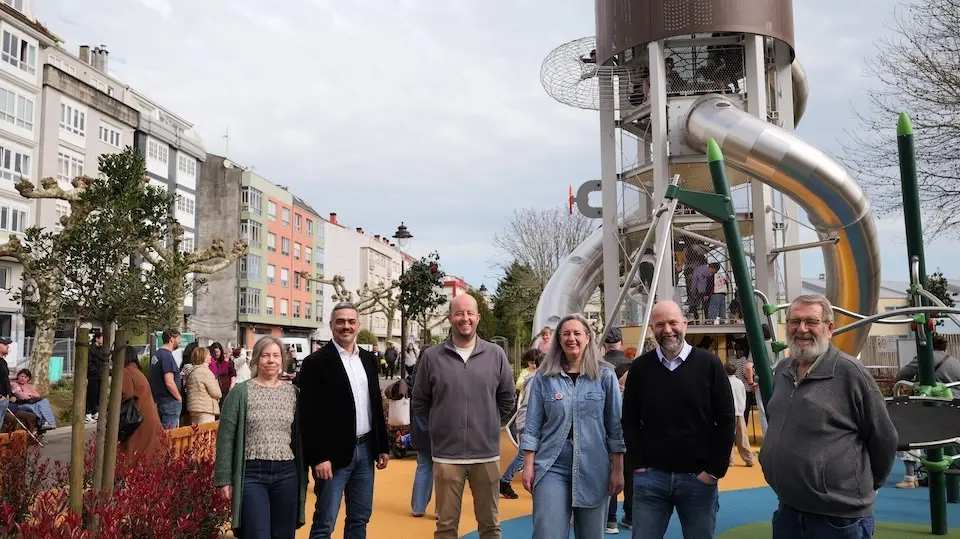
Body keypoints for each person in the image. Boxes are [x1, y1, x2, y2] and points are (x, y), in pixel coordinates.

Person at [759, 294, 898, 539]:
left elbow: (883, 438)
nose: (802, 329)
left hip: (838, 519)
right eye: (794, 321)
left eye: (811, 322)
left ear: (829, 328)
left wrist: (863, 486)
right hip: (789, 511)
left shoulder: (850, 373)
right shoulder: (782, 372)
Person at [621, 300, 735, 539]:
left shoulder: (710, 365)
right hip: (651, 477)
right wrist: (638, 463)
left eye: (673, 322)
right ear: (652, 327)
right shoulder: (640, 368)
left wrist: (714, 470)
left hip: (698, 479)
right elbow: (629, 419)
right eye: (660, 324)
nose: (668, 329)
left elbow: (725, 421)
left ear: (685, 323)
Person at [413, 294, 515, 539]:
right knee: (446, 526)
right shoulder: (432, 357)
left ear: (478, 317)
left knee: (490, 525)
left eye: (469, 313)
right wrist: (442, 424)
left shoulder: (495, 355)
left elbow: (507, 398)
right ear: (450, 317)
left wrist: (486, 421)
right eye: (459, 313)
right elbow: (420, 401)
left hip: (486, 454)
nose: (464, 318)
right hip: (447, 456)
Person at [521, 314, 625, 539]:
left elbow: (615, 427)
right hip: (552, 464)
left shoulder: (605, 376)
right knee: (547, 532)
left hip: (594, 464)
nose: (571, 338)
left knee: (591, 534)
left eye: (577, 333)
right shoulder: (543, 378)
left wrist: (618, 469)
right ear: (559, 340)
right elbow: (532, 425)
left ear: (588, 337)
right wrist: (528, 465)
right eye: (566, 333)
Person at [296, 302, 390, 539]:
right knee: (325, 522)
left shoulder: (368, 360)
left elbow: (375, 405)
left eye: (351, 321)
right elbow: (308, 415)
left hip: (366, 451)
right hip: (332, 457)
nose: (346, 326)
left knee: (360, 519)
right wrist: (318, 457)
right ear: (331, 326)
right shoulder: (315, 363)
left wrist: (382, 447)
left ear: (358, 325)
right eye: (340, 321)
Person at [215, 336, 308, 538]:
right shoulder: (240, 393)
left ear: (283, 360)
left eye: (276, 355)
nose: (271, 360)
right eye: (265, 355)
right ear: (256, 359)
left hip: (287, 473)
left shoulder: (294, 393)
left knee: (283, 534)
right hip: (251, 474)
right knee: (257, 534)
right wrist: (224, 478)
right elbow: (226, 437)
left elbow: (302, 436)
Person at [893, 333, 960, 488]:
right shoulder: (954, 362)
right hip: (956, 408)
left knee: (909, 431)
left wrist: (903, 383)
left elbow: (903, 374)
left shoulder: (926, 358)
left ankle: (911, 476)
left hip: (936, 408)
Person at [499, 348, 544, 500]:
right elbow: (533, 404)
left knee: (531, 454)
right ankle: (505, 481)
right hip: (528, 421)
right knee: (525, 454)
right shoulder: (537, 380)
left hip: (528, 420)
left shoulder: (536, 379)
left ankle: (508, 481)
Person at [603, 327, 633, 532]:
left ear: (605, 344)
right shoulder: (634, 365)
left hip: (606, 427)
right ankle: (630, 515)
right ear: (621, 342)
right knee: (631, 473)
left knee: (609, 471)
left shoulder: (599, 367)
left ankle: (610, 518)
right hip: (630, 426)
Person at [120, 345, 164, 461]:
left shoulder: (126, 373)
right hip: (147, 420)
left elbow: (124, 395)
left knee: (133, 457)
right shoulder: (137, 372)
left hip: (137, 422)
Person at [149, 329, 183, 429]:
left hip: (159, 400)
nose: (179, 342)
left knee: (161, 434)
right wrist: (178, 397)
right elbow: (169, 382)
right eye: (178, 339)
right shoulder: (167, 356)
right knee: (169, 436)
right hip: (169, 401)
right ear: (172, 339)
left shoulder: (157, 354)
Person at [725, 361, 754, 467]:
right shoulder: (740, 382)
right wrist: (742, 409)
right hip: (739, 412)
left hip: (728, 412)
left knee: (728, 436)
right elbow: (743, 396)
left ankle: (730, 460)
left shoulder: (724, 382)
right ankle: (749, 459)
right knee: (743, 437)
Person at [184, 346, 222, 424]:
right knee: (205, 434)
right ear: (204, 357)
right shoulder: (205, 372)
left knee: (196, 433)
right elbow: (216, 393)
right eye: (208, 355)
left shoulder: (192, 372)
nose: (210, 357)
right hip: (205, 408)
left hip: (194, 408)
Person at [209, 342, 237, 406]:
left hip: (226, 388)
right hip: (215, 390)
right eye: (214, 352)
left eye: (217, 352)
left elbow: (233, 373)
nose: (216, 354)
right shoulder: (210, 362)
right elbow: (219, 371)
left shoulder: (227, 361)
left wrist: (232, 385)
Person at [86, 332, 105, 423]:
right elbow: (89, 363)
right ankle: (88, 413)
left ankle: (96, 412)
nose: (103, 340)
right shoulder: (91, 349)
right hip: (93, 376)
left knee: (98, 395)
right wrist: (95, 372)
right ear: (97, 339)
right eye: (102, 338)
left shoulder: (101, 349)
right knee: (91, 395)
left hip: (100, 375)